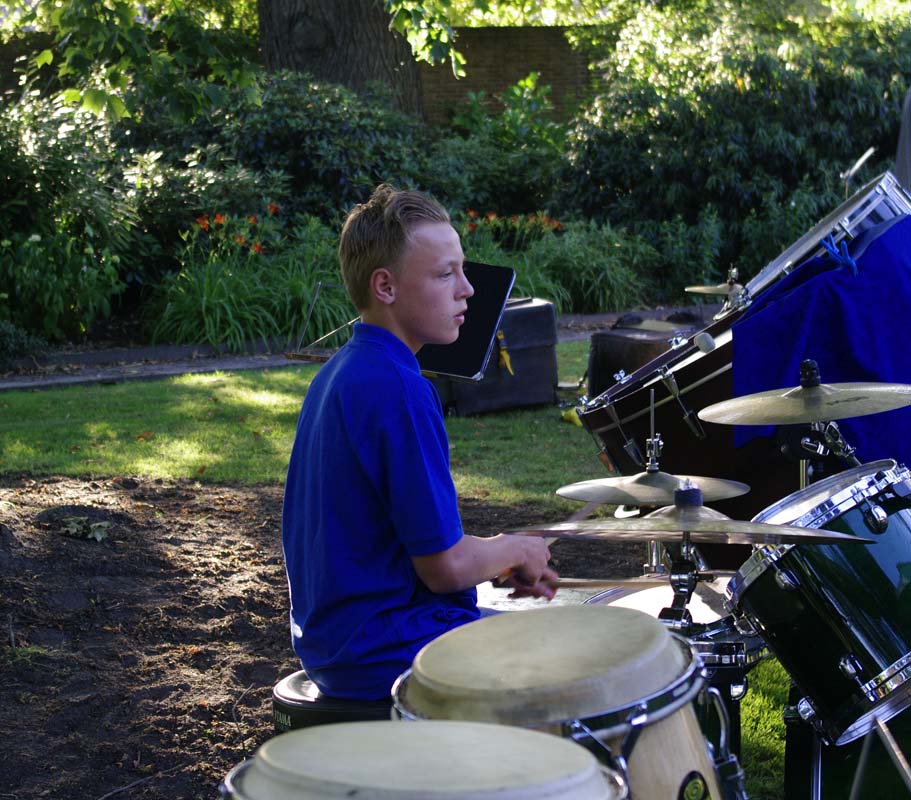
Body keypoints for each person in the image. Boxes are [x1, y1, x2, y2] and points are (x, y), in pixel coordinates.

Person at [281, 183, 559, 701]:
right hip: (387, 651)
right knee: (575, 653)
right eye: (444, 273)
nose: (467, 289)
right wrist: (517, 547)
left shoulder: (340, 372)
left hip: (336, 646)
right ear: (385, 286)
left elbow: (400, 548)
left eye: (463, 270)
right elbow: (444, 569)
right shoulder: (400, 389)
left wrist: (498, 557)